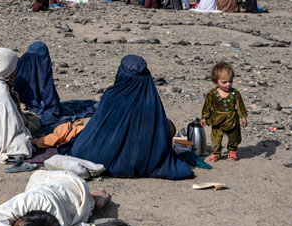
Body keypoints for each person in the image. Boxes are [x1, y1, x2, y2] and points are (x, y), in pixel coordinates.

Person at [61, 55, 194, 179]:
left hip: (102, 157)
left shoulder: (110, 97)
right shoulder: (151, 100)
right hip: (140, 158)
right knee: (169, 126)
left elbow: (96, 128)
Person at [201, 62, 247, 162]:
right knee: (216, 138)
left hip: (232, 120)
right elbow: (207, 106)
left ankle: (232, 151)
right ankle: (216, 153)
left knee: (234, 137)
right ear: (215, 81)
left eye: (230, 81)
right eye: (224, 82)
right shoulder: (212, 94)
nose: (228, 84)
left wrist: (243, 117)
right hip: (217, 120)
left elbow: (240, 106)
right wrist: (204, 117)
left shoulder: (235, 93)